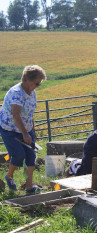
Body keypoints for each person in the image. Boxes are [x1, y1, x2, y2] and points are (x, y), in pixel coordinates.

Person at [0, 65, 46, 194]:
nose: (37, 86)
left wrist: (32, 132)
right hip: (10, 129)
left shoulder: (32, 92)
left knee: (31, 156)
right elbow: (16, 116)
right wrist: (25, 134)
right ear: (27, 80)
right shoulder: (16, 94)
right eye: (36, 83)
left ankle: (29, 187)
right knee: (19, 155)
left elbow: (29, 114)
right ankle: (9, 176)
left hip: (26, 129)